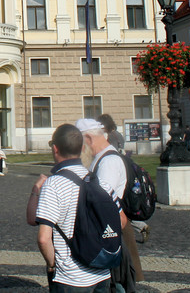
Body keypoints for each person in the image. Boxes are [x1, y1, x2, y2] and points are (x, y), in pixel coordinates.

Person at [26, 123, 121, 292]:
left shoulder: (54, 185)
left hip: (70, 277)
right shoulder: (99, 182)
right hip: (102, 272)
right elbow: (122, 221)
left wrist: (52, 265)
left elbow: (43, 238)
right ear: (82, 147)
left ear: (55, 149)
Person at [77, 118, 141, 292]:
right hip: (109, 230)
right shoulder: (100, 158)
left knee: (117, 283)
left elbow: (102, 202)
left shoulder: (108, 162)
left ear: (88, 139)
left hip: (112, 232)